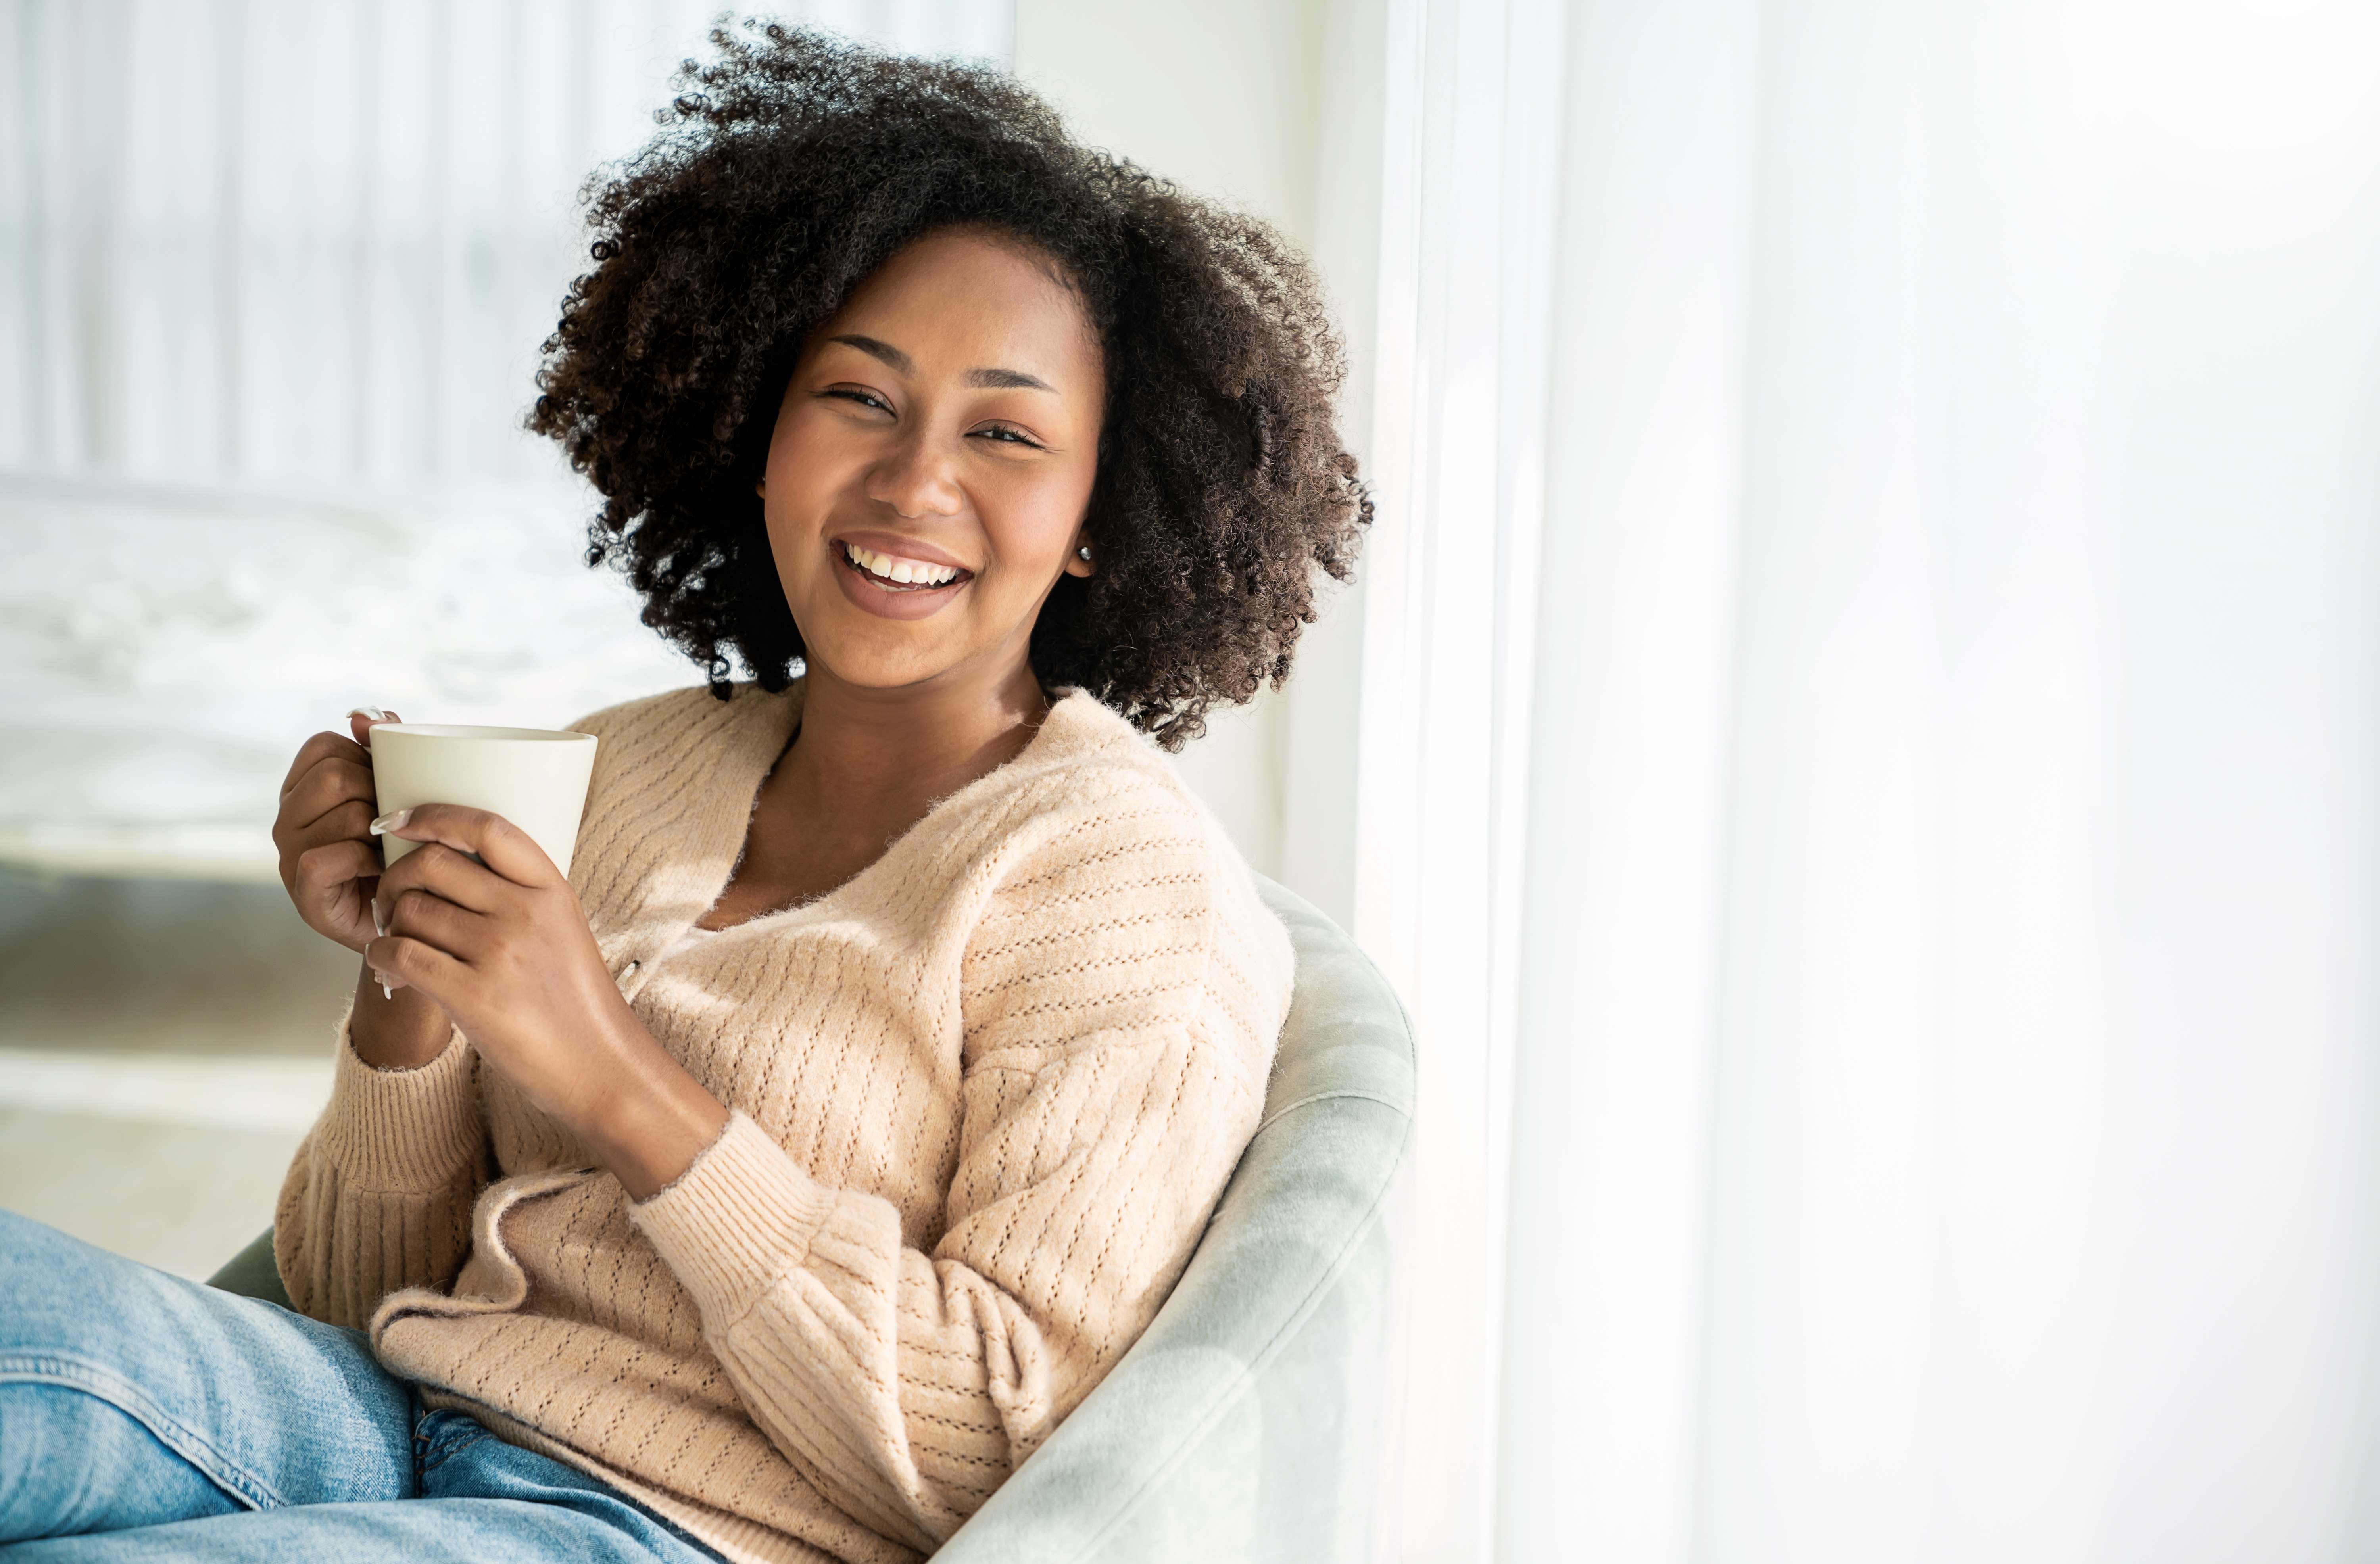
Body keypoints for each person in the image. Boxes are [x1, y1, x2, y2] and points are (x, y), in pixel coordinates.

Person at [0, 23, 1367, 1564]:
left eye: (1003, 431)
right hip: (389, 1413)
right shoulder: (636, 758)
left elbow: (1002, 1448)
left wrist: (610, 1070)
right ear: (757, 429)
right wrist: (414, 973)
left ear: (1100, 516)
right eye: (858, 395)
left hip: (694, 1527)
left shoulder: (1126, 886)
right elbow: (346, 1293)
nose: (914, 483)